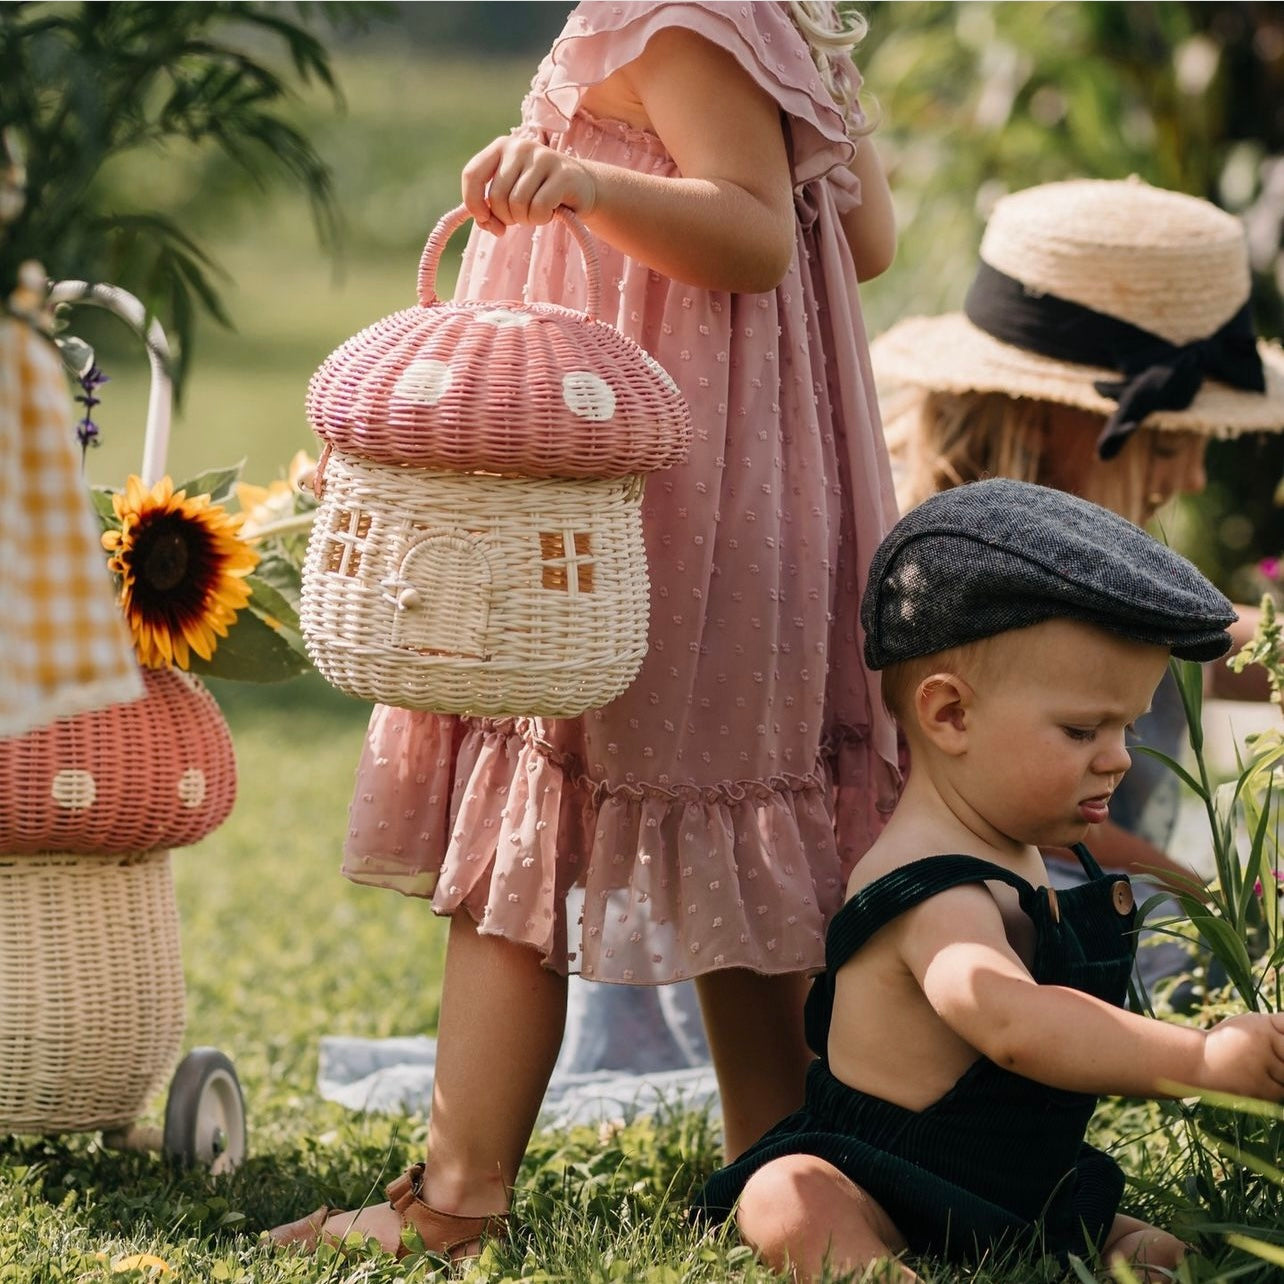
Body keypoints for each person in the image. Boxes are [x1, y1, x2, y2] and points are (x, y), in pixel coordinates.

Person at [271, 0, 900, 1259]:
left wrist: (580, 186)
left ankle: (457, 1200)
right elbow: (867, 237)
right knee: (743, 815)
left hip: (639, 492)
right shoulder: (783, 25)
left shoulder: (679, 20)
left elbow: (758, 238)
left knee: (532, 820)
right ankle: (775, 1165)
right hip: (756, 475)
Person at [694, 478, 1284, 1283]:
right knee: (787, 1194)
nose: (1117, 756)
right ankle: (870, 1268)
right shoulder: (930, 885)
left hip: (1021, 1186)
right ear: (950, 716)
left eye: (1127, 726)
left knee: (1153, 1252)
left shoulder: (1012, 843)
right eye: (1082, 729)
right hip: (882, 1178)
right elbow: (1010, 1021)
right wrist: (1203, 1061)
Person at [871, 178, 1284, 996]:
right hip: (991, 900)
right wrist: (1203, 893)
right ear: (1039, 418)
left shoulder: (1092, 578)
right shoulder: (942, 591)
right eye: (1166, 441)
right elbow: (992, 811)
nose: (1196, 475)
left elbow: (1236, 647)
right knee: (1168, 954)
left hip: (1090, 878)